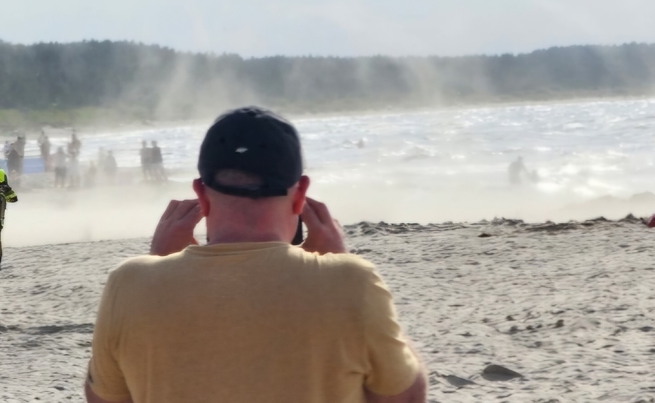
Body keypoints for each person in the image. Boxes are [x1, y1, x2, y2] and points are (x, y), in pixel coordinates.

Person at [85, 106, 426, 403]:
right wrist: (337, 260)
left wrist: (160, 267)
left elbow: (104, 398)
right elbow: (406, 397)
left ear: (201, 195)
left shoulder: (129, 284)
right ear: (300, 195)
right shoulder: (352, 282)